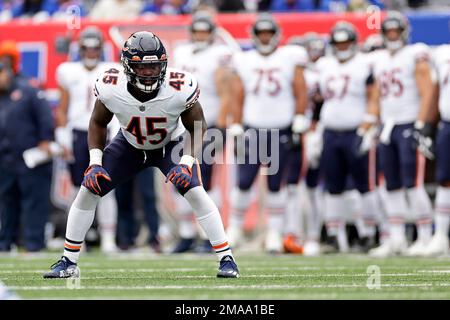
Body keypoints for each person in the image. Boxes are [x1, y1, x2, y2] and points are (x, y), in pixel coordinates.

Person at [43, 31, 239, 278]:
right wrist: (95, 162)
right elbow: (98, 123)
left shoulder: (179, 86)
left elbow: (198, 126)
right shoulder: (111, 86)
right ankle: (68, 261)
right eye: (141, 67)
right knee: (88, 189)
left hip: (170, 143)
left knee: (195, 190)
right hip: (129, 145)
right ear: (127, 66)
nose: (149, 72)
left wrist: (187, 162)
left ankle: (227, 259)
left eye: (154, 66)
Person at [227, 13, 308, 253]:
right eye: (261, 34)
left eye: (268, 34)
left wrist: (299, 119)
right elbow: (237, 94)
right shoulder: (244, 60)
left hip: (280, 128)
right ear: (254, 36)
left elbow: (300, 90)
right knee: (243, 181)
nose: (264, 38)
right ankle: (235, 228)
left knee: (276, 184)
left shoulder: (289, 57)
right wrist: (237, 124)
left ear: (276, 36)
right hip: (253, 128)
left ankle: (274, 232)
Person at [369, 12, 434, 257]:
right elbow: (376, 95)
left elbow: (427, 90)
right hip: (388, 127)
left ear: (404, 32)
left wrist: (421, 123)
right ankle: (396, 238)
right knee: (391, 184)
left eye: (396, 31)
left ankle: (426, 237)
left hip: (409, 123)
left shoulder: (415, 53)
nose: (393, 36)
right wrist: (369, 125)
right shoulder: (380, 59)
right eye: (389, 32)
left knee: (413, 183)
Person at [171, 11, 233, 253]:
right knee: (177, 178)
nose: (200, 35)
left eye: (204, 31)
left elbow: (226, 93)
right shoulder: (181, 52)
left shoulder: (220, 55)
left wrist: (219, 125)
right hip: (180, 125)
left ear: (212, 33)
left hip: (208, 126)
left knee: (204, 179)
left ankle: (211, 237)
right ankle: (187, 235)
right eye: (197, 30)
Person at [315, 21, 379, 253]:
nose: (342, 47)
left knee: (364, 185)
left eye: (346, 42)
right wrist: (316, 131)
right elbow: (317, 100)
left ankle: (369, 234)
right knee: (333, 186)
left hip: (356, 131)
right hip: (331, 132)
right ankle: (334, 236)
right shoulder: (324, 65)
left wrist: (368, 126)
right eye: (338, 43)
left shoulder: (364, 64)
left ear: (354, 43)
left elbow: (374, 96)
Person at [54, 26, 119, 253]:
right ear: (80, 49)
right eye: (87, 48)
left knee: (107, 187)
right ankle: (75, 241)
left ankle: (109, 238)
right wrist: (62, 136)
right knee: (76, 188)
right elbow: (62, 107)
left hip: (106, 132)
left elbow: (119, 105)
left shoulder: (112, 70)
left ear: (100, 49)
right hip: (78, 132)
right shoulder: (67, 70)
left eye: (95, 48)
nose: (91, 52)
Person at [0, 60, 54, 252]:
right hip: (5, 159)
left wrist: (45, 138)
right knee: (6, 203)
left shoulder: (27, 91)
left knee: (34, 202)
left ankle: (33, 243)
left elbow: (45, 115)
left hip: (30, 158)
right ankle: (5, 242)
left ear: (7, 73)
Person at [418, 43, 450, 256]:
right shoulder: (442, 54)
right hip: (447, 124)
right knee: (444, 179)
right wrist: (428, 127)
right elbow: (436, 91)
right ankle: (440, 236)